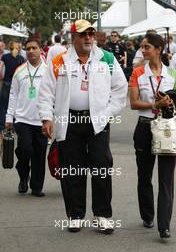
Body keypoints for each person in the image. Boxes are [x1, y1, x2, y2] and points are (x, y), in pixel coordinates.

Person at [38, 19, 128, 233]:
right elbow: (45, 92)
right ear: (74, 38)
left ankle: (103, 215)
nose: (88, 37)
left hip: (97, 121)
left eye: (91, 33)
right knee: (72, 168)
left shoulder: (106, 58)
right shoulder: (59, 60)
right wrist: (46, 118)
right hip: (68, 121)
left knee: (101, 167)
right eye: (83, 34)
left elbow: (120, 89)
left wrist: (107, 113)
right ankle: (75, 214)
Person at [129, 34, 176, 239]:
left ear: (158, 49)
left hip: (167, 129)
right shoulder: (138, 72)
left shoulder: (172, 73)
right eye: (142, 47)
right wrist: (154, 105)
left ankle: (163, 225)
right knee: (145, 175)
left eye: (147, 47)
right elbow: (133, 103)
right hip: (145, 128)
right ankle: (148, 215)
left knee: (166, 178)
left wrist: (169, 103)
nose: (143, 50)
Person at [5, 37, 48, 197]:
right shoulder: (20, 71)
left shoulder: (49, 70)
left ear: (40, 50)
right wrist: (9, 117)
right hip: (22, 119)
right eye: (28, 48)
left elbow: (56, 95)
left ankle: (37, 187)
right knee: (25, 150)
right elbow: (13, 95)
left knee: (39, 153)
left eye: (34, 48)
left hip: (42, 119)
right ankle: (23, 176)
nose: (31, 51)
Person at [0, 41, 24, 139]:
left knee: (3, 106)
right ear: (18, 48)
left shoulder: (5, 57)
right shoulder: (21, 58)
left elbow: (0, 69)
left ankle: (2, 128)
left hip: (6, 83)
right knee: (15, 106)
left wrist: (2, 77)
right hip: (16, 85)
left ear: (9, 48)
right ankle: (13, 128)